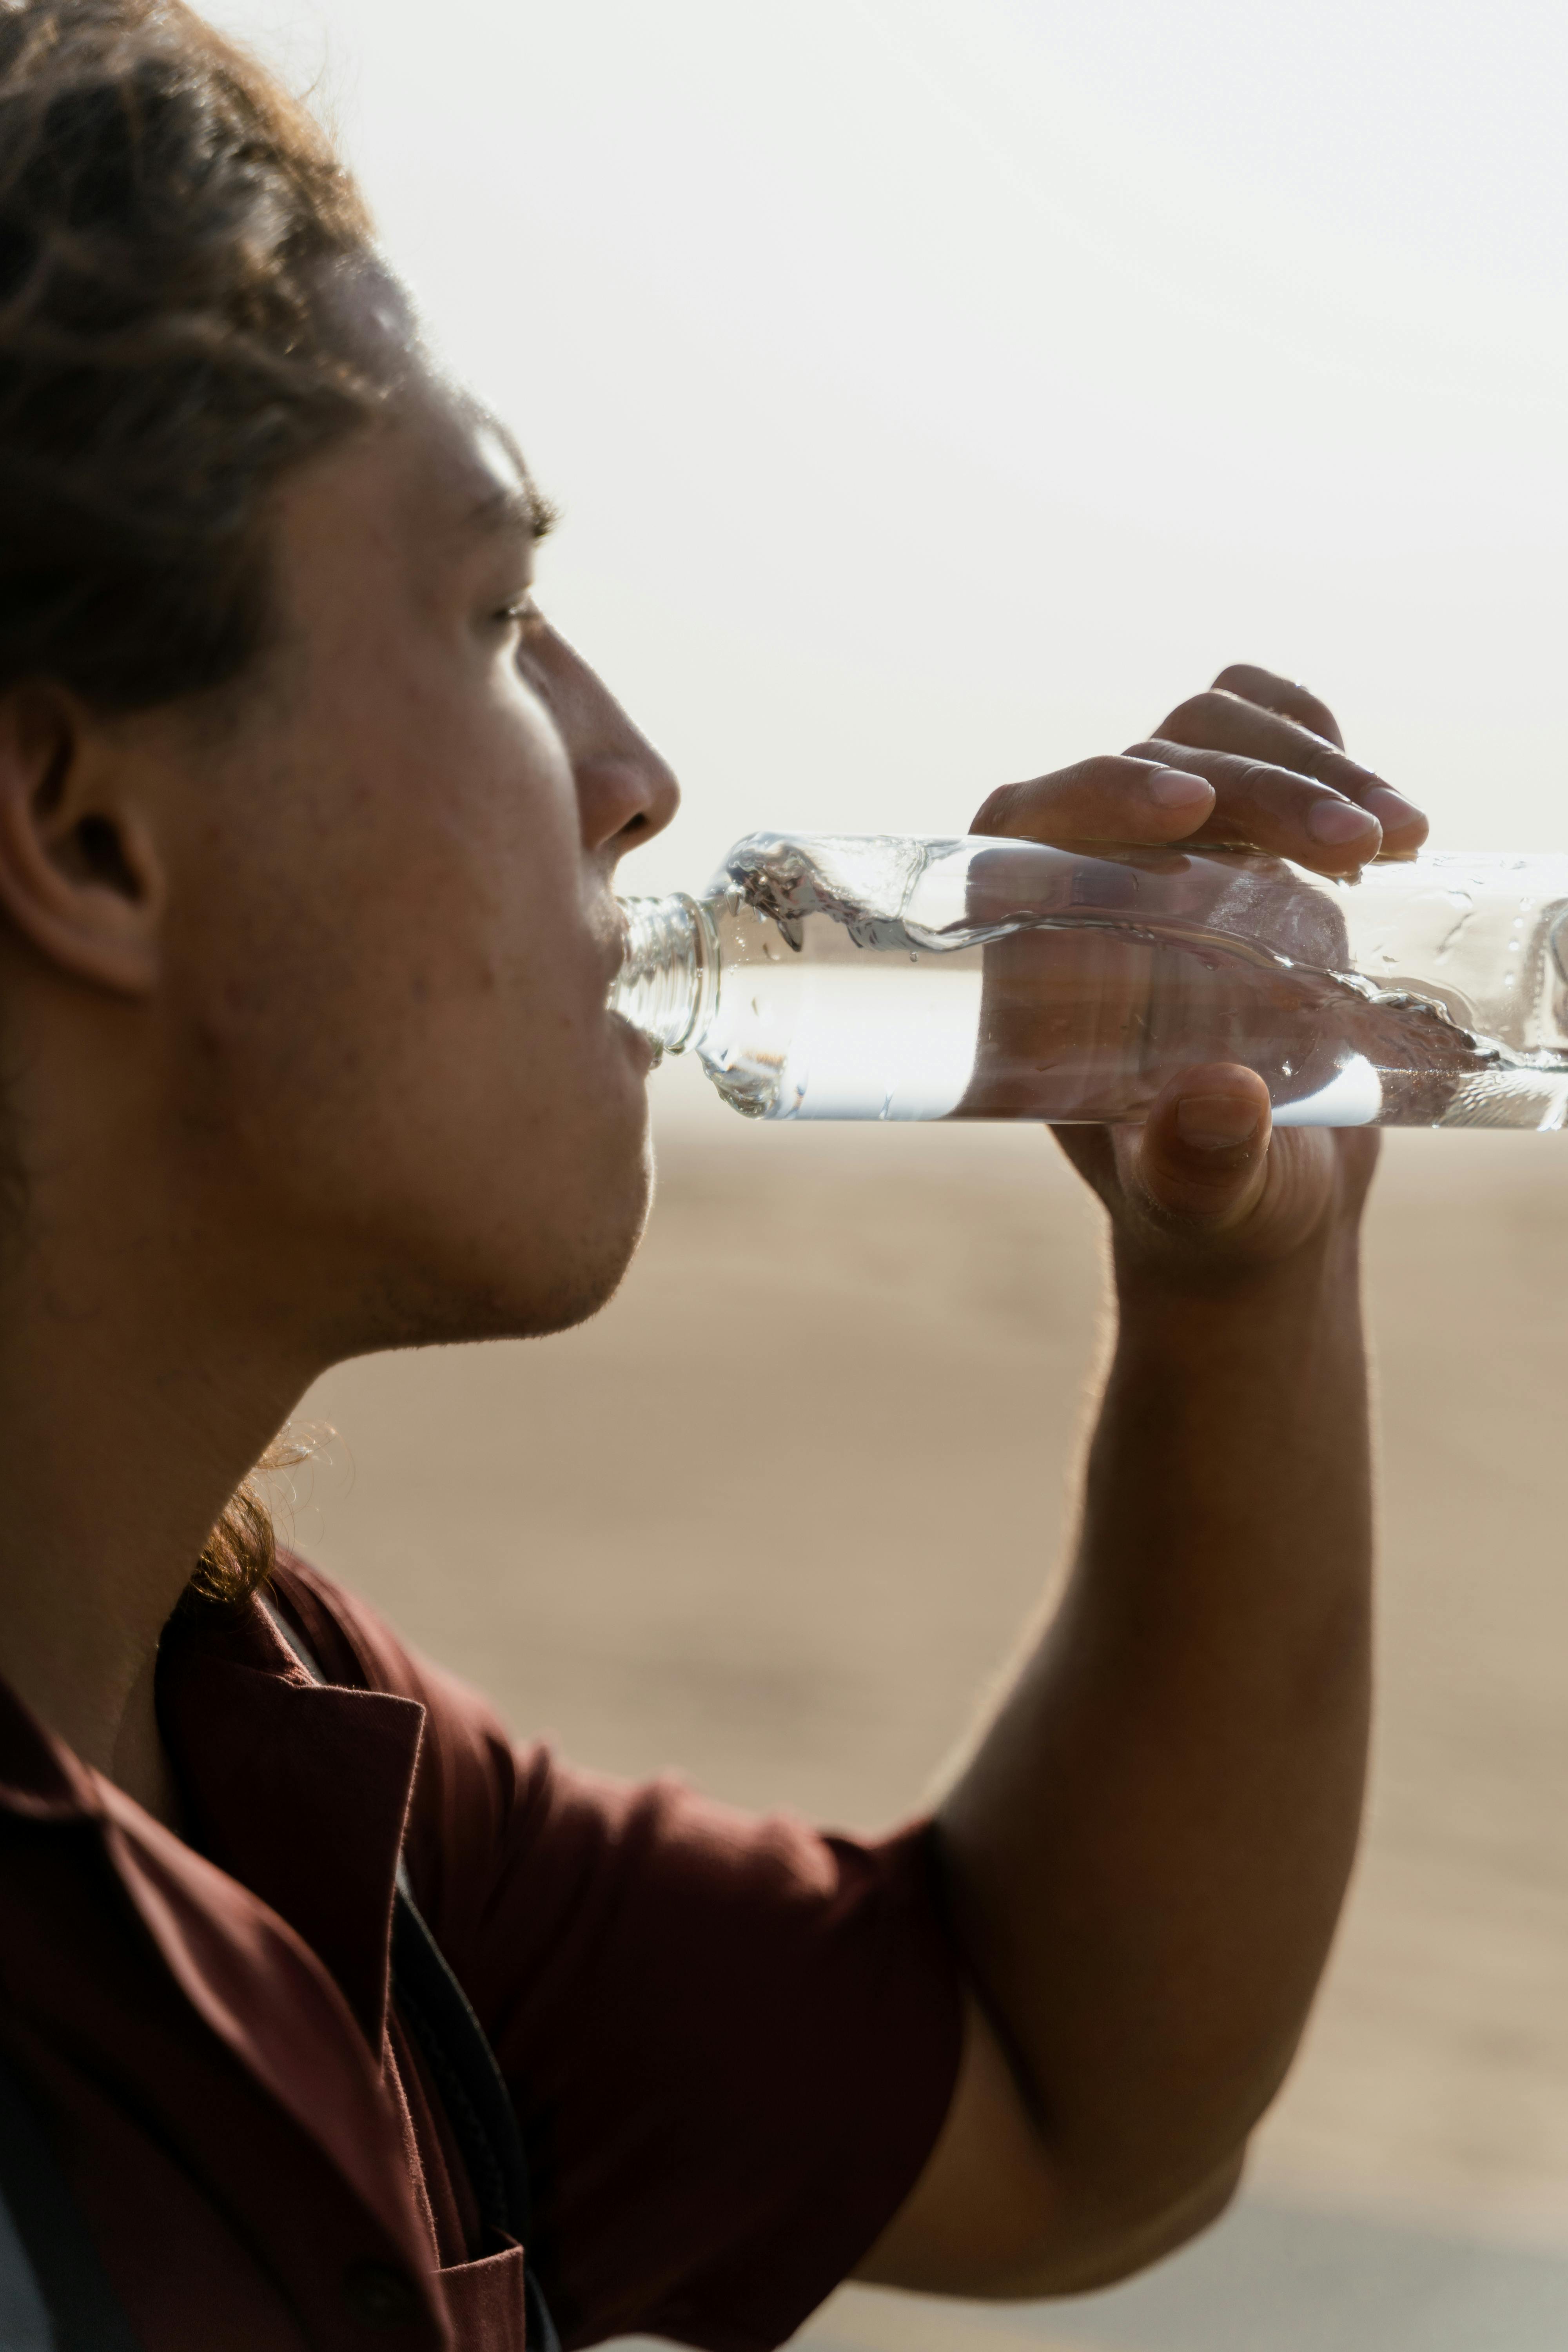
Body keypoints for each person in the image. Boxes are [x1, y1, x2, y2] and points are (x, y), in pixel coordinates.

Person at [0, 3, 1430, 2346]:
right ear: (82, 830)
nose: (638, 772)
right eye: (490, 620)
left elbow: (1063, 2109)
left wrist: (1245, 1278)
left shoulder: (261, 1733)